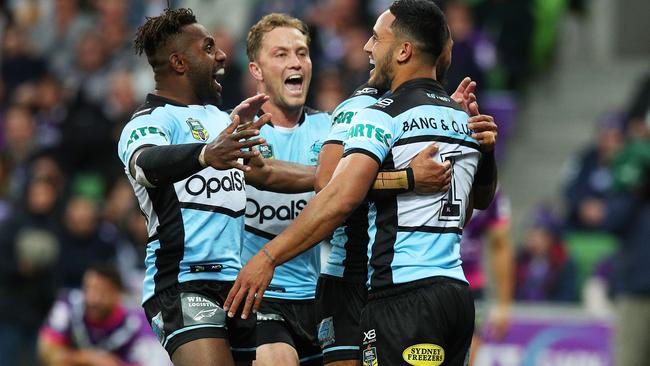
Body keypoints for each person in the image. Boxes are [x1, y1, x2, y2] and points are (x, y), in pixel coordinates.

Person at [226, 1, 497, 364]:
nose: (368, 47)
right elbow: (472, 204)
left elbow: (336, 190)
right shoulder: (456, 116)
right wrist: (409, 177)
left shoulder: (379, 113)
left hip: (394, 286)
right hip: (433, 286)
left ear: (404, 50)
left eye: (376, 38)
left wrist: (269, 256)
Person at [118, 8, 317, 366]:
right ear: (179, 62)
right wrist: (207, 153)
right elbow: (146, 165)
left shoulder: (219, 118)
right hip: (183, 282)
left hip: (238, 286)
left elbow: (265, 173)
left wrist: (332, 180)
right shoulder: (149, 120)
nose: (223, 55)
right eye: (208, 48)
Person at [314, 75, 496, 365]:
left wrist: (457, 135)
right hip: (351, 275)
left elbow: (473, 207)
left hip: (402, 280)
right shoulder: (363, 105)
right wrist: (407, 178)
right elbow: (328, 184)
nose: (368, 47)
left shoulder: (428, 113)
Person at [38, 264, 171, 366]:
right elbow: (46, 352)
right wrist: (92, 359)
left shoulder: (138, 323)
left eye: (102, 292)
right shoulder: (69, 304)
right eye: (88, 289)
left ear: (117, 295)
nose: (92, 299)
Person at [459, 189, 513, 366]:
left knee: (468, 356)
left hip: (471, 287)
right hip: (429, 281)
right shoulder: (429, 173)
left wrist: (504, 304)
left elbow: (500, 244)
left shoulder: (491, 188)